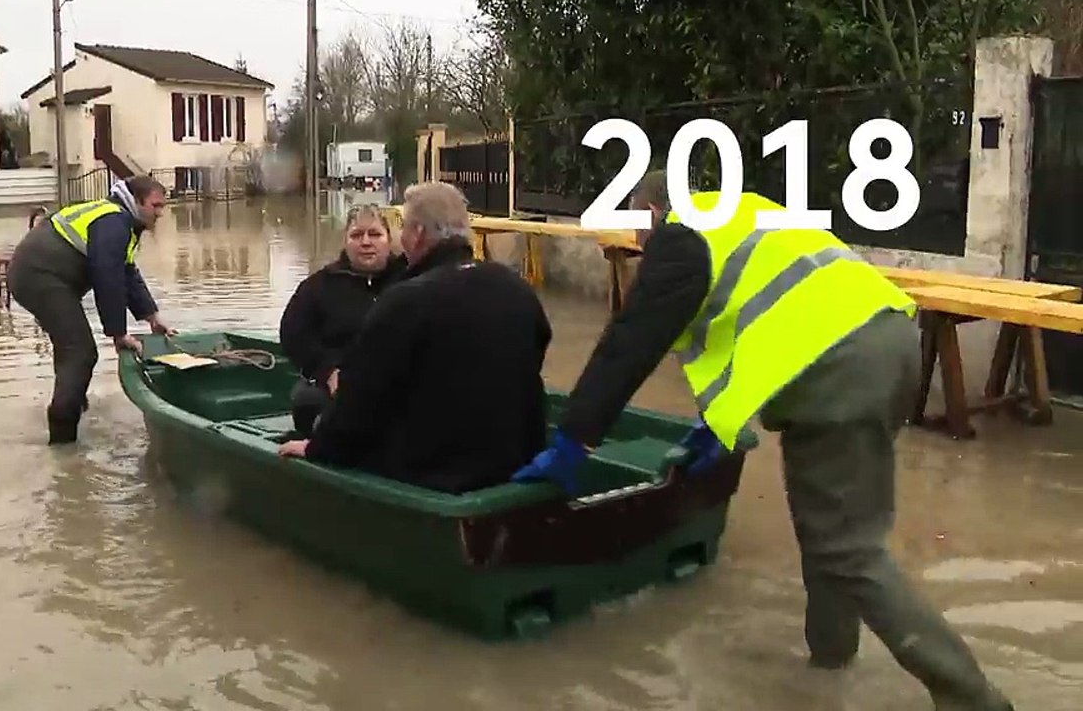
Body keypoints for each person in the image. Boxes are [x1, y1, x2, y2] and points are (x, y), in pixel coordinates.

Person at [511, 171, 1013, 711]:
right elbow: (764, 322)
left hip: (835, 372)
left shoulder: (682, 238)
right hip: (888, 344)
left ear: (652, 212)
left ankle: (973, 699)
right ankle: (830, 663)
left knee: (849, 549)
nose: (637, 248)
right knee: (832, 530)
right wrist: (717, 427)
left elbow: (628, 344)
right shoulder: (740, 215)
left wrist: (573, 441)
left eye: (637, 230)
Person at [277, 181, 552, 494]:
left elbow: (359, 404)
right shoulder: (515, 287)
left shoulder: (404, 301)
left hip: (435, 471)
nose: (401, 238)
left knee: (314, 413)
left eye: (403, 228)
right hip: (515, 460)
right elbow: (536, 352)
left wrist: (316, 448)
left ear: (418, 233)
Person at [7, 176, 176, 445]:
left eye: (162, 207)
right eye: (155, 206)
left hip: (44, 276)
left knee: (72, 346)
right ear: (136, 201)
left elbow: (126, 271)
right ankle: (63, 441)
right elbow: (107, 276)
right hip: (38, 276)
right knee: (81, 351)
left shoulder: (120, 221)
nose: (159, 213)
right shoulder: (114, 222)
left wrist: (151, 317)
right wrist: (119, 334)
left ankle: (72, 402)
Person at [278, 203, 407, 436]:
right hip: (338, 382)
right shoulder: (319, 286)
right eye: (357, 235)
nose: (366, 242)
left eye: (375, 234)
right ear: (345, 242)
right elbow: (293, 334)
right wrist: (327, 370)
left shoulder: (410, 281)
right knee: (307, 400)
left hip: (398, 381)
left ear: (389, 239)